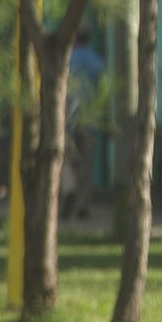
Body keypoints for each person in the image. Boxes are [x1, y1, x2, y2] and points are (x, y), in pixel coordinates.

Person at [64, 26, 106, 219]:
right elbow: (102, 95)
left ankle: (69, 190)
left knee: (67, 161)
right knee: (86, 166)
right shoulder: (97, 63)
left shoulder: (66, 60)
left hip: (67, 120)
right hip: (89, 121)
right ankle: (83, 205)